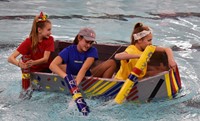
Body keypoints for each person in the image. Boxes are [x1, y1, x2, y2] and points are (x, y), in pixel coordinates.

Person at [49, 27, 116, 85]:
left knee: (111, 63)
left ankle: (102, 86)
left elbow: (84, 69)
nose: (88, 45)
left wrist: (76, 84)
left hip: (87, 75)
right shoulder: (68, 50)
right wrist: (66, 77)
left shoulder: (92, 50)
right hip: (71, 74)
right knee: (57, 67)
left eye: (91, 43)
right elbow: (52, 65)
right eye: (87, 42)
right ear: (79, 38)